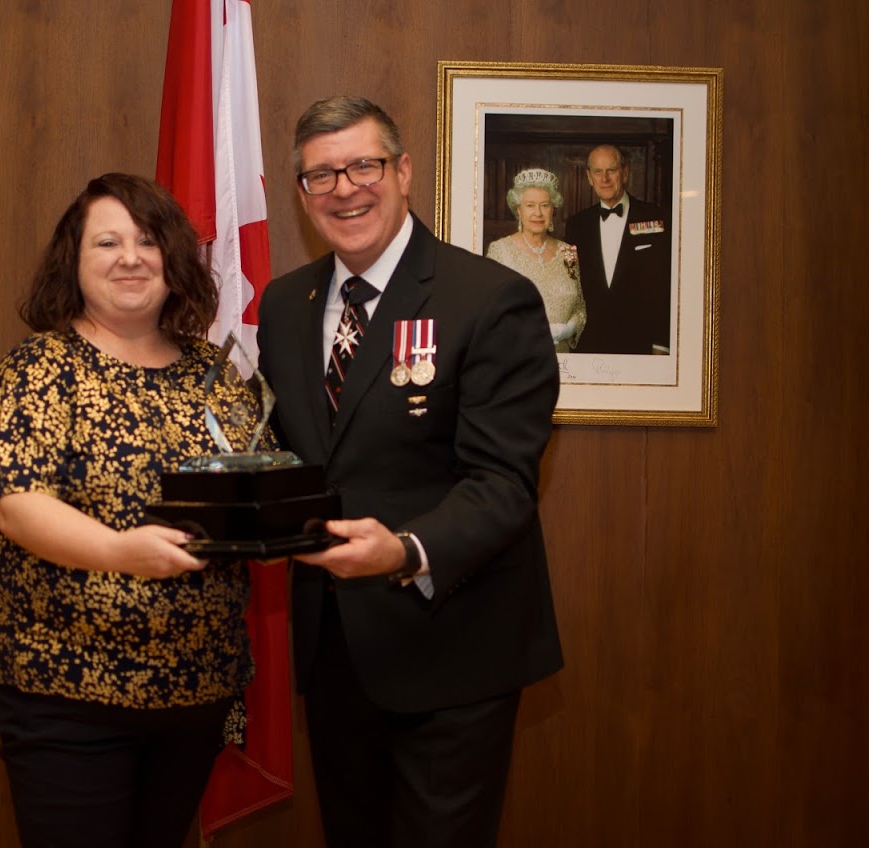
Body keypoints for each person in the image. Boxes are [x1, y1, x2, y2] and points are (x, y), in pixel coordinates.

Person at [256, 96, 563, 848]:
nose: (345, 189)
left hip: (452, 646)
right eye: (322, 175)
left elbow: (503, 483)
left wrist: (403, 550)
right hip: (334, 653)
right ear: (302, 193)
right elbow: (286, 458)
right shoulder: (285, 306)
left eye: (364, 166)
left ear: (403, 172)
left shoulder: (488, 298)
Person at [0, 173, 263, 848]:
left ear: (174, 259)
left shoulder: (214, 373)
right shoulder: (38, 370)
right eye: (107, 242)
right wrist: (122, 552)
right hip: (67, 695)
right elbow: (17, 504)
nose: (130, 257)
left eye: (148, 240)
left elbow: (256, 485)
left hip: (197, 690)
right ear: (73, 262)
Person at [563, 143, 672, 355]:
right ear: (589, 177)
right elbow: (572, 285)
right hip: (590, 344)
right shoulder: (577, 224)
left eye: (611, 170)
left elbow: (665, 285)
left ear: (625, 173)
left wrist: (661, 344)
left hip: (640, 344)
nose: (604, 179)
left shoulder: (655, 217)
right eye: (598, 172)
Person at [485, 167, 588, 353]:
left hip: (562, 361)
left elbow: (579, 308)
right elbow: (490, 312)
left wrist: (568, 329)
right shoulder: (500, 251)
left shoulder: (568, 252)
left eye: (545, 205)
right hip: (517, 358)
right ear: (519, 210)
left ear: (553, 209)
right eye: (530, 205)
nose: (538, 213)